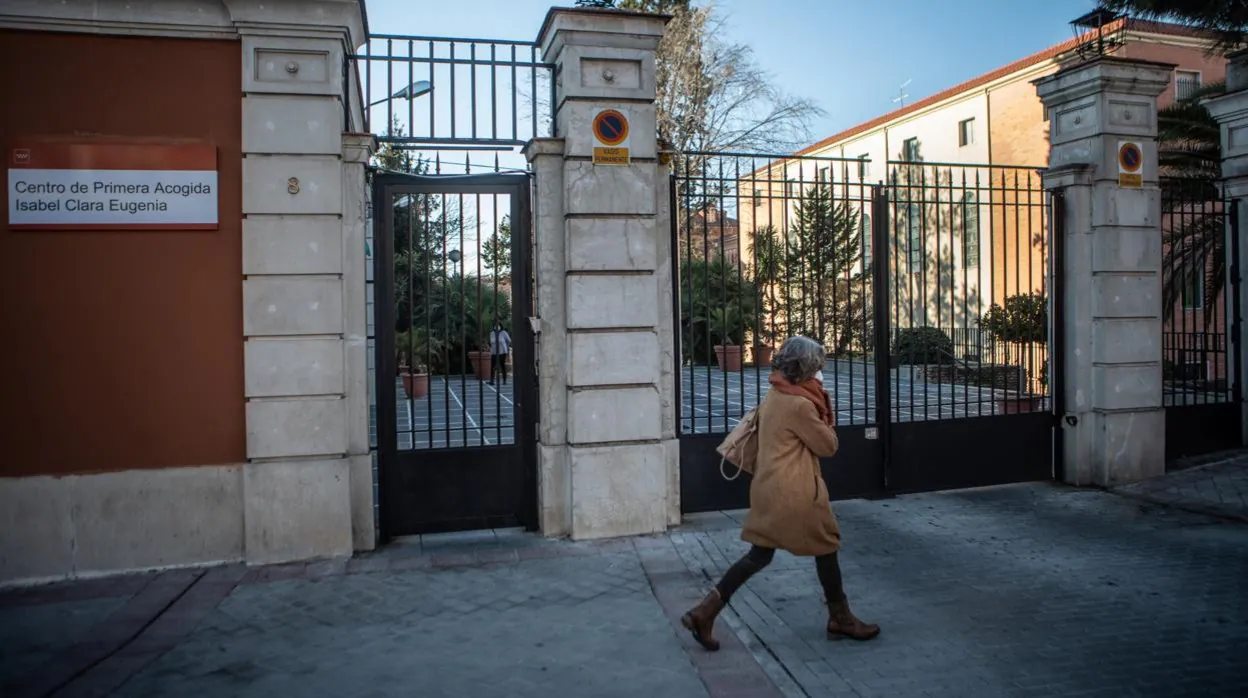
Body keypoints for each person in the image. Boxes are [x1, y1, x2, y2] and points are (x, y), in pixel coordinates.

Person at [681, 335, 879, 650]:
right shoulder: (800, 404)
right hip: (796, 492)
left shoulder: (775, 394)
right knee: (825, 547)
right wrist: (825, 408)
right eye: (818, 367)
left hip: (769, 487)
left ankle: (706, 611)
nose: (820, 372)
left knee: (760, 555)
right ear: (807, 368)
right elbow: (828, 446)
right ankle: (841, 618)